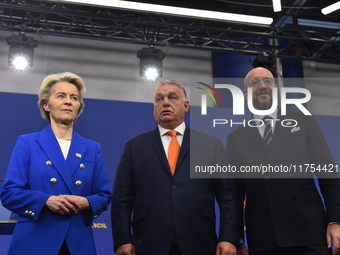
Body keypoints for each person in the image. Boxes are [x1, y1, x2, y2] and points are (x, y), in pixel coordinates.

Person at [111, 79, 239, 255]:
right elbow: (121, 198)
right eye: (159, 99)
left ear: (186, 106)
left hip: (200, 241)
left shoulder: (211, 144)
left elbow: (228, 195)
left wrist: (229, 237)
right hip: (149, 243)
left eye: (172, 98)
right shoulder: (134, 147)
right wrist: (123, 239)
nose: (165, 103)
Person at [226, 67, 340, 255]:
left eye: (268, 81)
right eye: (255, 83)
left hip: (310, 233)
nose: (262, 86)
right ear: (246, 94)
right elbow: (236, 195)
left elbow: (328, 175)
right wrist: (236, 239)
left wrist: (335, 221)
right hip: (266, 238)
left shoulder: (303, 121)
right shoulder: (236, 137)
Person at [0, 72, 111, 255]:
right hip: (34, 242)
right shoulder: (27, 143)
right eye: (61, 96)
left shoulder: (92, 148)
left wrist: (86, 202)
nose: (68, 101)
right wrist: (46, 200)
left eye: (74, 98)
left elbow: (104, 195)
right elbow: (10, 193)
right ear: (46, 105)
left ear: (79, 107)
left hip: (78, 244)